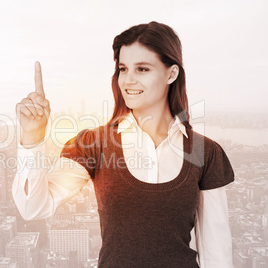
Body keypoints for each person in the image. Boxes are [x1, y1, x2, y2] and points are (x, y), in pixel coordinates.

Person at [13, 21, 235, 267]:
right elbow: (33, 208)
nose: (128, 80)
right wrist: (32, 136)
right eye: (123, 68)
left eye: (142, 69)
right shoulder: (94, 144)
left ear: (171, 74)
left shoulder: (205, 153)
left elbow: (217, 254)